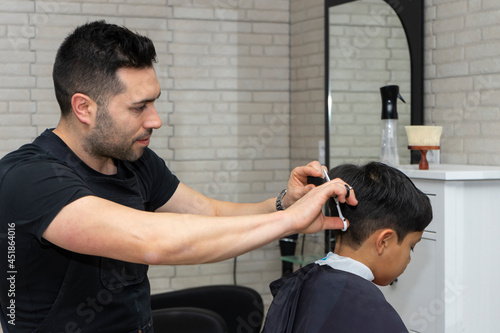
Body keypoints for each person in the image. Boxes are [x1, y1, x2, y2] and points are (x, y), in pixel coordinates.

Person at [0, 21, 358, 332]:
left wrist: (282, 205)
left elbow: (209, 214)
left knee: (239, 304)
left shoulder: (134, 159)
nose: (155, 120)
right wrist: (290, 221)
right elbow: (154, 241)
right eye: (139, 107)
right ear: (84, 108)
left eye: (154, 102)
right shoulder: (29, 179)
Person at [261, 162, 433, 333]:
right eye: (411, 247)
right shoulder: (370, 310)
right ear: (384, 241)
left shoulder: (302, 282)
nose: (409, 259)